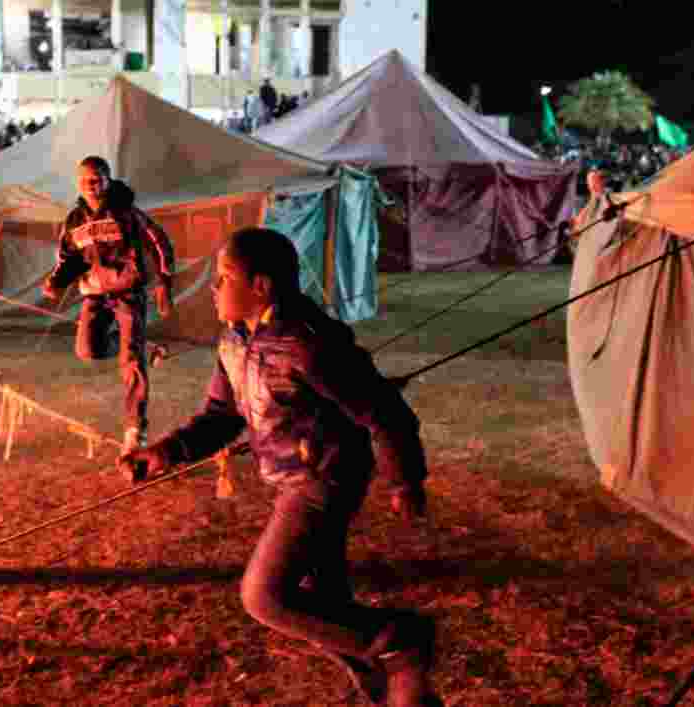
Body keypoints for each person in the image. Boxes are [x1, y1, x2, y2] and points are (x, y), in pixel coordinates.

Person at [120, 227, 441, 706]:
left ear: (261, 287)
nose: (213, 288)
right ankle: (397, 693)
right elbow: (220, 416)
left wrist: (404, 479)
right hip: (290, 478)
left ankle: (400, 639)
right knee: (328, 612)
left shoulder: (309, 343)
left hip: (325, 478)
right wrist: (164, 452)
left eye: (224, 277)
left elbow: (383, 409)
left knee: (265, 596)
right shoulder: (233, 342)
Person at [42, 156, 176, 459]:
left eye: (98, 178)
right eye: (86, 180)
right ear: (78, 183)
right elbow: (69, 258)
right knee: (87, 350)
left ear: (108, 179)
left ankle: (135, 430)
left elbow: (159, 242)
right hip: (94, 293)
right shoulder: (74, 220)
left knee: (131, 364)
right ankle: (138, 346)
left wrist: (164, 281)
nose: (92, 185)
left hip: (128, 292)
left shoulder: (126, 212)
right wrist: (56, 282)